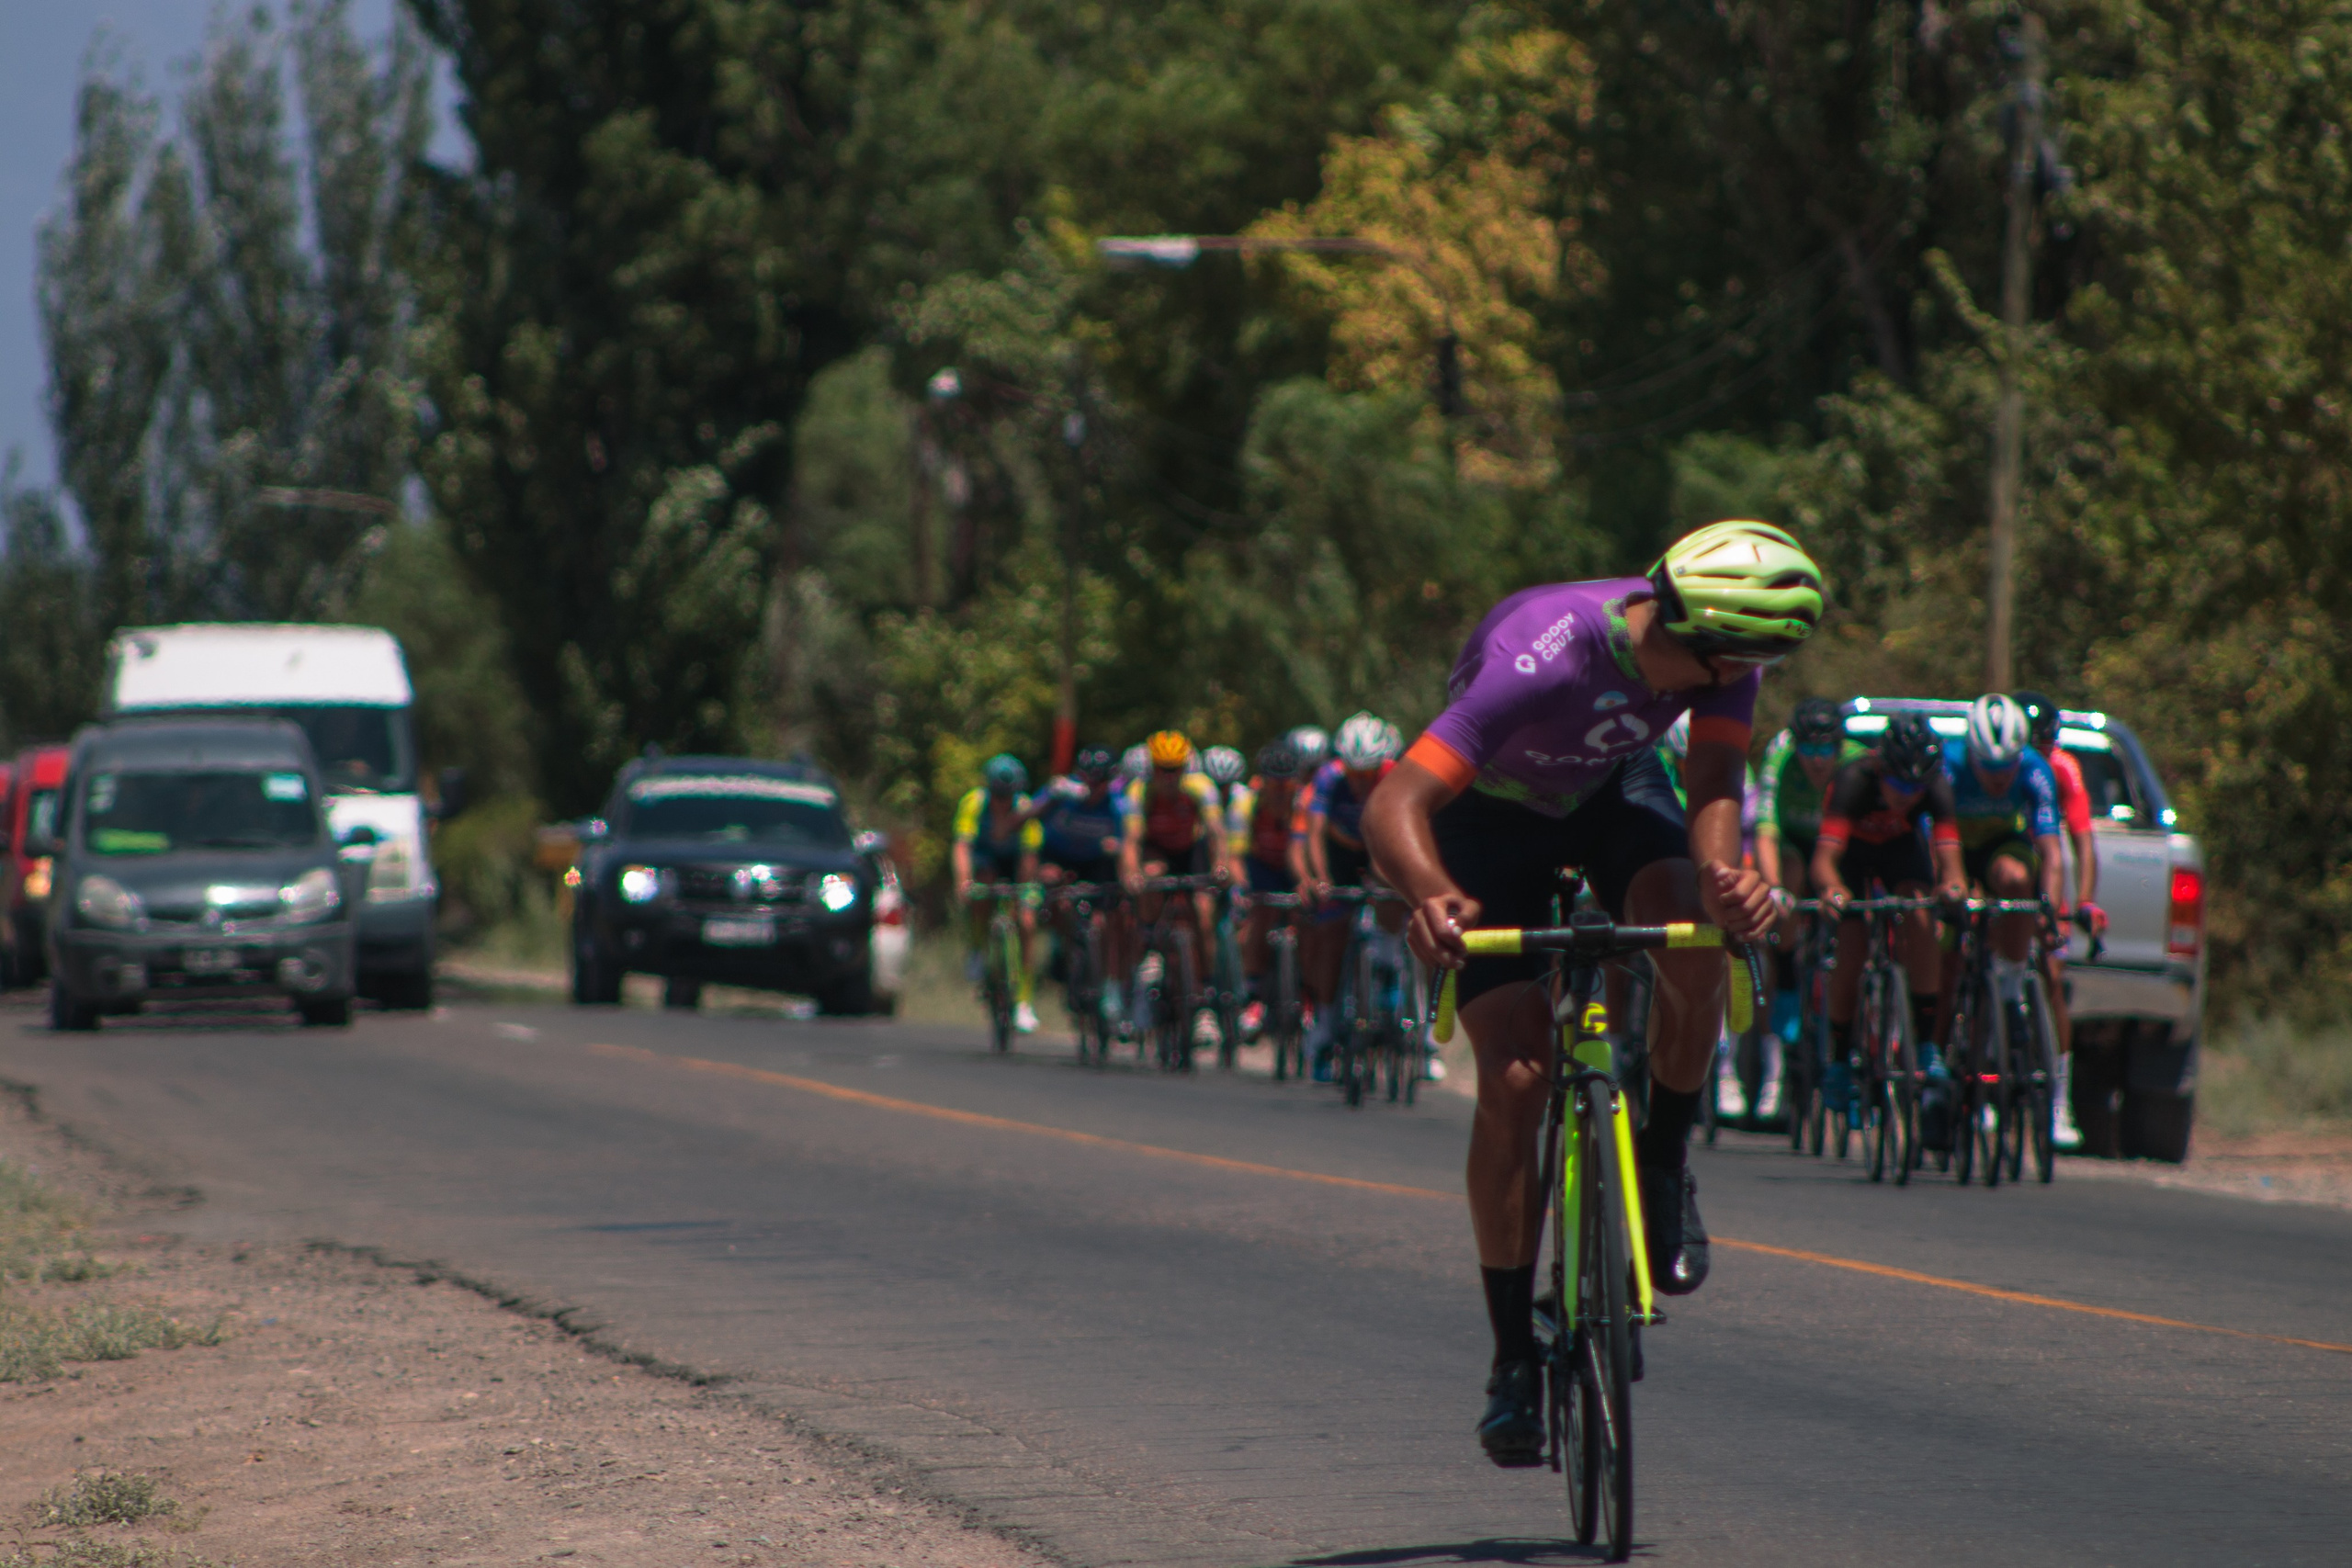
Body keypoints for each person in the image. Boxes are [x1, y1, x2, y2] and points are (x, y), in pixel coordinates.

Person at [1363, 520, 1821, 1466]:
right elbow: (1394, 804)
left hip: (1615, 793)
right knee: (1521, 1075)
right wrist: (1431, 895)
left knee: (1693, 940)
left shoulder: (1724, 647)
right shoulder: (1541, 659)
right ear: (1695, 638)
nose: (1744, 677)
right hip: (1491, 823)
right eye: (1737, 663)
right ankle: (1510, 1361)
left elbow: (1713, 775)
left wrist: (1726, 878)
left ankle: (1659, 1165)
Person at [1809, 712, 1968, 1142]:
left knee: (1920, 917)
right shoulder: (1853, 781)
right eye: (1898, 786)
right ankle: (1841, 1057)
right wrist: (1833, 890)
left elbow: (1951, 862)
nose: (1905, 797)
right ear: (1882, 769)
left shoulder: (1935, 785)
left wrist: (1953, 888)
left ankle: (1927, 1042)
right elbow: (1824, 861)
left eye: (1914, 790)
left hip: (1901, 851)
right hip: (1852, 856)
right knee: (1852, 943)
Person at [1945, 694, 2069, 1130]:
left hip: (2002, 850)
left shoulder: (2036, 769)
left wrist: (2049, 908)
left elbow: (2051, 851)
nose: (1999, 779)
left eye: (2007, 768)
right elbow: (1934, 840)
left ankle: (2011, 985)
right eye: (1989, 768)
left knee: (2018, 882)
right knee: (1947, 957)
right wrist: (1953, 890)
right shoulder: (1949, 766)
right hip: (1955, 850)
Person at [2013, 690, 2100, 1147]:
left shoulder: (2064, 769)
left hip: (2048, 868)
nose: (2039, 757)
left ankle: (2059, 1099)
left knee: (2051, 972)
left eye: (2046, 746)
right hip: (2006, 862)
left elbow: (2083, 843)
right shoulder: (2001, 765)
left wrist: (2082, 902)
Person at [1756, 697, 1867, 1048]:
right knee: (1789, 873)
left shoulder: (1859, 760)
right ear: (1794, 743)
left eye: (1826, 748)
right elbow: (1765, 832)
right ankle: (1787, 976)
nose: (1818, 758)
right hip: (1796, 844)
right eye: (1808, 747)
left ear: (1840, 745)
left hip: (1840, 849)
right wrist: (1773, 888)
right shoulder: (1780, 759)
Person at [1302, 713, 1404, 1077]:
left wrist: (1387, 879)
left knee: (1393, 899)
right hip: (1341, 852)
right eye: (1353, 772)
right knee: (1331, 935)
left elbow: (1399, 833)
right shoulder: (1329, 776)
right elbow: (1314, 834)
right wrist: (1322, 878)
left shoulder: (1394, 774)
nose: (1359, 780)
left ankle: (1391, 967)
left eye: (1368, 772)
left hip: (1381, 845)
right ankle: (1325, 1025)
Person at [1122, 729, 1227, 1049]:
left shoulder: (1201, 788)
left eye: (1175, 768)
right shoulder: (1139, 792)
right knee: (1149, 876)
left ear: (1186, 767)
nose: (1169, 777)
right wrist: (1132, 872)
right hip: (1158, 851)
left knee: (1204, 912)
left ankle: (1205, 999)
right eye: (1162, 769)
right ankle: (1152, 947)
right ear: (1151, 768)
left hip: (1190, 851)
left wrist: (1220, 865)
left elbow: (1216, 832)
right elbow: (1132, 841)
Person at [1031, 745, 1132, 1021]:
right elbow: (1025, 818)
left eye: (1101, 781)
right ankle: (1060, 944)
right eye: (1088, 778)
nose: (1093, 786)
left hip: (1097, 861)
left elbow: (1130, 846)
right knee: (1053, 889)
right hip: (1060, 857)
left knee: (1106, 921)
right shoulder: (1063, 794)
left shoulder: (1119, 804)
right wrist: (1048, 799)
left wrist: (1122, 857)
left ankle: (1109, 985)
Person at [953, 752, 1044, 1034]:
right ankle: (978, 951)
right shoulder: (974, 803)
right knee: (982, 886)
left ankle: (1024, 1001)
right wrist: (963, 882)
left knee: (1027, 922)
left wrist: (1024, 890)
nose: (1003, 802)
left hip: (1014, 863)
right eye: (998, 795)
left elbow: (1030, 854)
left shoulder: (1026, 807)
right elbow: (963, 846)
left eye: (1008, 796)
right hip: (986, 860)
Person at [1229, 740, 1306, 1040]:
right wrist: (1242, 888)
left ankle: (1305, 993)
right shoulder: (1246, 803)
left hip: (1293, 866)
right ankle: (1254, 993)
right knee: (1258, 918)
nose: (1278, 790)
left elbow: (1311, 849)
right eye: (1272, 784)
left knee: (1308, 922)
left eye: (1285, 784)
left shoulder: (1304, 802)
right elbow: (1235, 855)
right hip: (1260, 866)